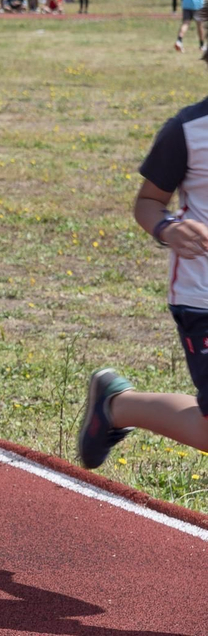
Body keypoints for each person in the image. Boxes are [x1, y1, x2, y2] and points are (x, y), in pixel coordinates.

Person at [78, 80, 208, 475]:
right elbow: (149, 202)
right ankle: (117, 406)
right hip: (202, 299)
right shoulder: (187, 130)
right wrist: (168, 228)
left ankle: (116, 405)